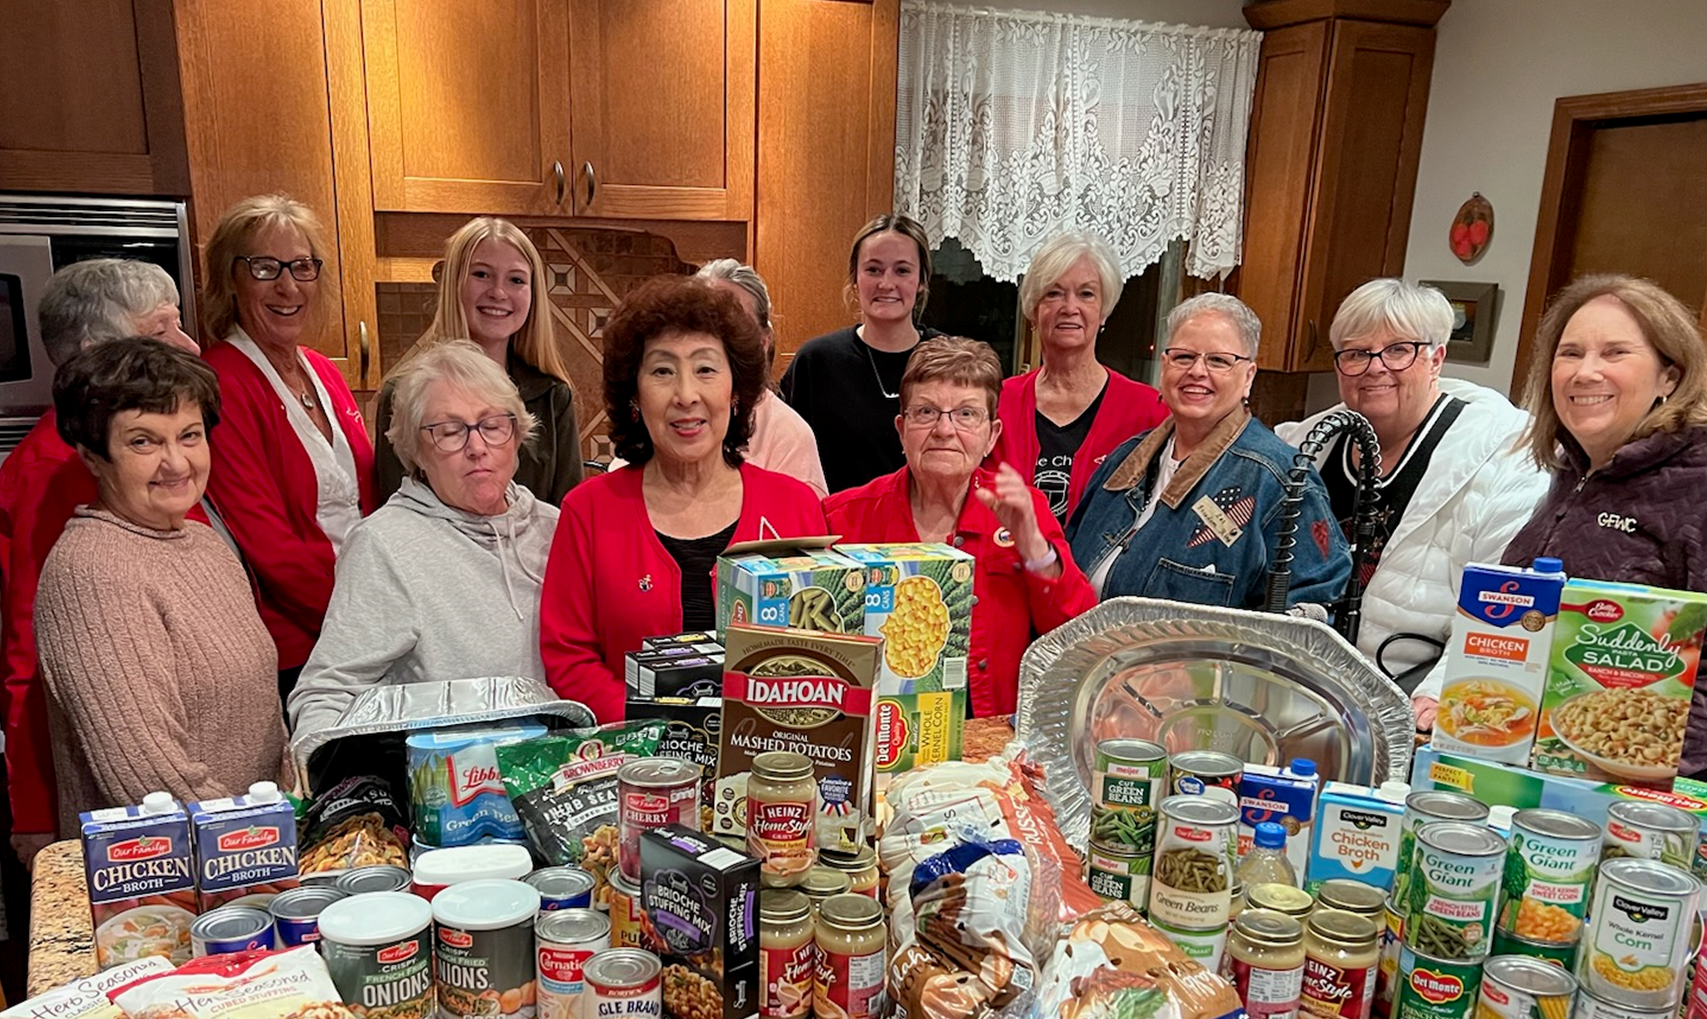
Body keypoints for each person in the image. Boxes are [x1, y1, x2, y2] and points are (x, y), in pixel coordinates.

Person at [541, 275, 825, 720]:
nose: (686, 395)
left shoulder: (795, 506)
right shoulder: (589, 510)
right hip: (636, 766)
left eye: (706, 369)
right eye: (662, 371)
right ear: (635, 395)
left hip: (769, 766)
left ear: (736, 393)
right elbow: (569, 656)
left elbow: (822, 648)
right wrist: (659, 728)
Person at [35, 338, 285, 835]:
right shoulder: (92, 573)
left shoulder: (204, 543)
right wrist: (264, 838)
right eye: (143, 442)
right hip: (160, 881)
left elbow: (262, 715)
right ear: (92, 455)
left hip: (248, 853)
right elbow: (149, 779)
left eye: (189, 435)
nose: (176, 463)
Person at [1275, 279, 1548, 729]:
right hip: (1296, 694)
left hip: (1409, 701)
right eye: (1356, 353)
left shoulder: (1508, 458)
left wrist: (1442, 692)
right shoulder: (1303, 445)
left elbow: (1505, 604)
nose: (1375, 368)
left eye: (1398, 350)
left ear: (1436, 357)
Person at [0, 259, 200, 867]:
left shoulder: (144, 457)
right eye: (162, 329)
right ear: (99, 354)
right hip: (136, 809)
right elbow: (28, 653)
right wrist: (32, 811)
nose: (189, 345)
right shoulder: (59, 470)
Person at [289, 341, 558, 738]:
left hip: (565, 778)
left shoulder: (556, 529)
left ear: (517, 435)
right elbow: (326, 695)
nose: (477, 448)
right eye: (450, 432)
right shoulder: (385, 545)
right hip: (448, 786)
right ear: (415, 452)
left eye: (492, 426)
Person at [1496, 275, 1707, 775]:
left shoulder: (1697, 481)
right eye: (1570, 353)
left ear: (1669, 378)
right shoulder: (1575, 469)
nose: (1585, 372)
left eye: (1615, 353)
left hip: (1645, 786)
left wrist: (1654, 773)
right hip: (1544, 761)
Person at [825, 338, 1097, 717]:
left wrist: (1033, 546)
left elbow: (1079, 632)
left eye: (966, 414)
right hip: (877, 729)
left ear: (992, 436)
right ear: (902, 430)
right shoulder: (843, 518)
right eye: (926, 412)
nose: (944, 430)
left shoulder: (1024, 508)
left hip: (989, 735)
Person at [1067, 294, 1350, 611]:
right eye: (1184, 357)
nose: (1197, 371)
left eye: (1218, 360)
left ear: (1248, 377)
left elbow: (1314, 613)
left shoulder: (1281, 482)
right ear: (1164, 367)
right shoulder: (1121, 463)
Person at [200, 194, 376, 702]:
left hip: (364, 622)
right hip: (301, 648)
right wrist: (361, 622)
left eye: (302, 267)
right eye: (264, 268)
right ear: (230, 279)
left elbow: (369, 501)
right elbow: (267, 544)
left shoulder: (324, 370)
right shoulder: (221, 382)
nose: (287, 286)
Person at [373, 217, 581, 504]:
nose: (498, 292)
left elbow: (568, 515)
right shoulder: (402, 395)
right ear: (454, 284)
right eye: (481, 274)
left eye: (516, 280)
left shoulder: (553, 397)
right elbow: (394, 513)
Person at [988, 232, 1168, 524]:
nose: (1069, 307)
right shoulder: (996, 402)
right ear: (1034, 309)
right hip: (1005, 568)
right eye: (1054, 293)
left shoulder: (1150, 411)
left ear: (1104, 311)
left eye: (1086, 294)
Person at [781, 213, 947, 492]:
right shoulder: (816, 361)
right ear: (855, 279)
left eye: (902, 270)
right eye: (873, 269)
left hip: (929, 533)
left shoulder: (949, 360)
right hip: (837, 529)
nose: (886, 283)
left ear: (921, 282)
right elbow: (785, 456)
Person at [694, 260, 827, 495]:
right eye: (701, 322)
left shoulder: (789, 436)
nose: (715, 337)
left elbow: (800, 525)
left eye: (735, 324)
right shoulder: (666, 414)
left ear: (763, 342)